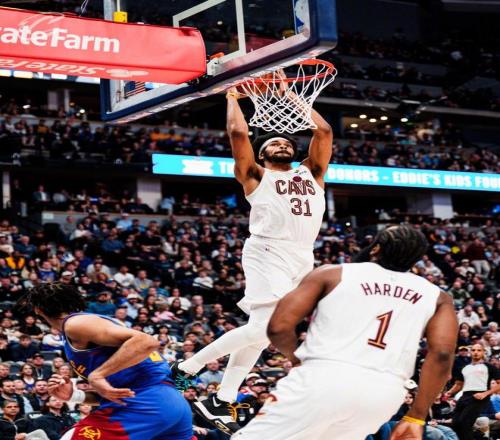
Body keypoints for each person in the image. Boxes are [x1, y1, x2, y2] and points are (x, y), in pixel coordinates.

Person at [172, 82, 333, 434]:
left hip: (302, 256)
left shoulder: (312, 173)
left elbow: (323, 131)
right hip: (268, 250)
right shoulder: (255, 175)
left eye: (287, 142)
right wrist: (232, 97)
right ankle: (186, 368)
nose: (282, 143)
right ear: (261, 155)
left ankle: (222, 398)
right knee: (267, 329)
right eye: (274, 143)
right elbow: (237, 133)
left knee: (260, 333)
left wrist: (293, 96)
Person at [232, 225, 458, 440]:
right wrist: (416, 416)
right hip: (384, 393)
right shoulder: (437, 297)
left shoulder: (332, 274)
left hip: (324, 376)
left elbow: (278, 327)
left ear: (376, 248)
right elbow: (442, 355)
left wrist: (296, 359)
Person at [18, 282, 193, 440]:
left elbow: (147, 341)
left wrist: (98, 375)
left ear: (37, 310)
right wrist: (74, 395)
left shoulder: (75, 324)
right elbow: (118, 393)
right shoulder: (87, 325)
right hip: (167, 404)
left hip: (147, 403)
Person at [446, 344, 500, 440]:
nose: (476, 352)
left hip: (480, 395)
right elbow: (458, 384)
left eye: (479, 350)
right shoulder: (464, 367)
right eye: (473, 350)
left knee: (465, 422)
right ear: (470, 352)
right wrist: (449, 392)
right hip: (465, 395)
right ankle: (477, 437)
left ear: (483, 352)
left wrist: (485, 394)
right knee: (455, 423)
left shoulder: (489, 367)